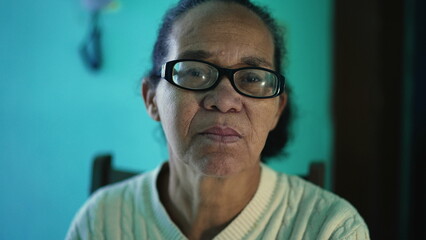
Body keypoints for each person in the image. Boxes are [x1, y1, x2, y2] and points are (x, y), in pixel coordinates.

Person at [66, 0, 370, 239]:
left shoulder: (331, 230)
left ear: (277, 109)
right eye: (195, 72)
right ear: (152, 98)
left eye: (252, 77)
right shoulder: (101, 222)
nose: (224, 101)